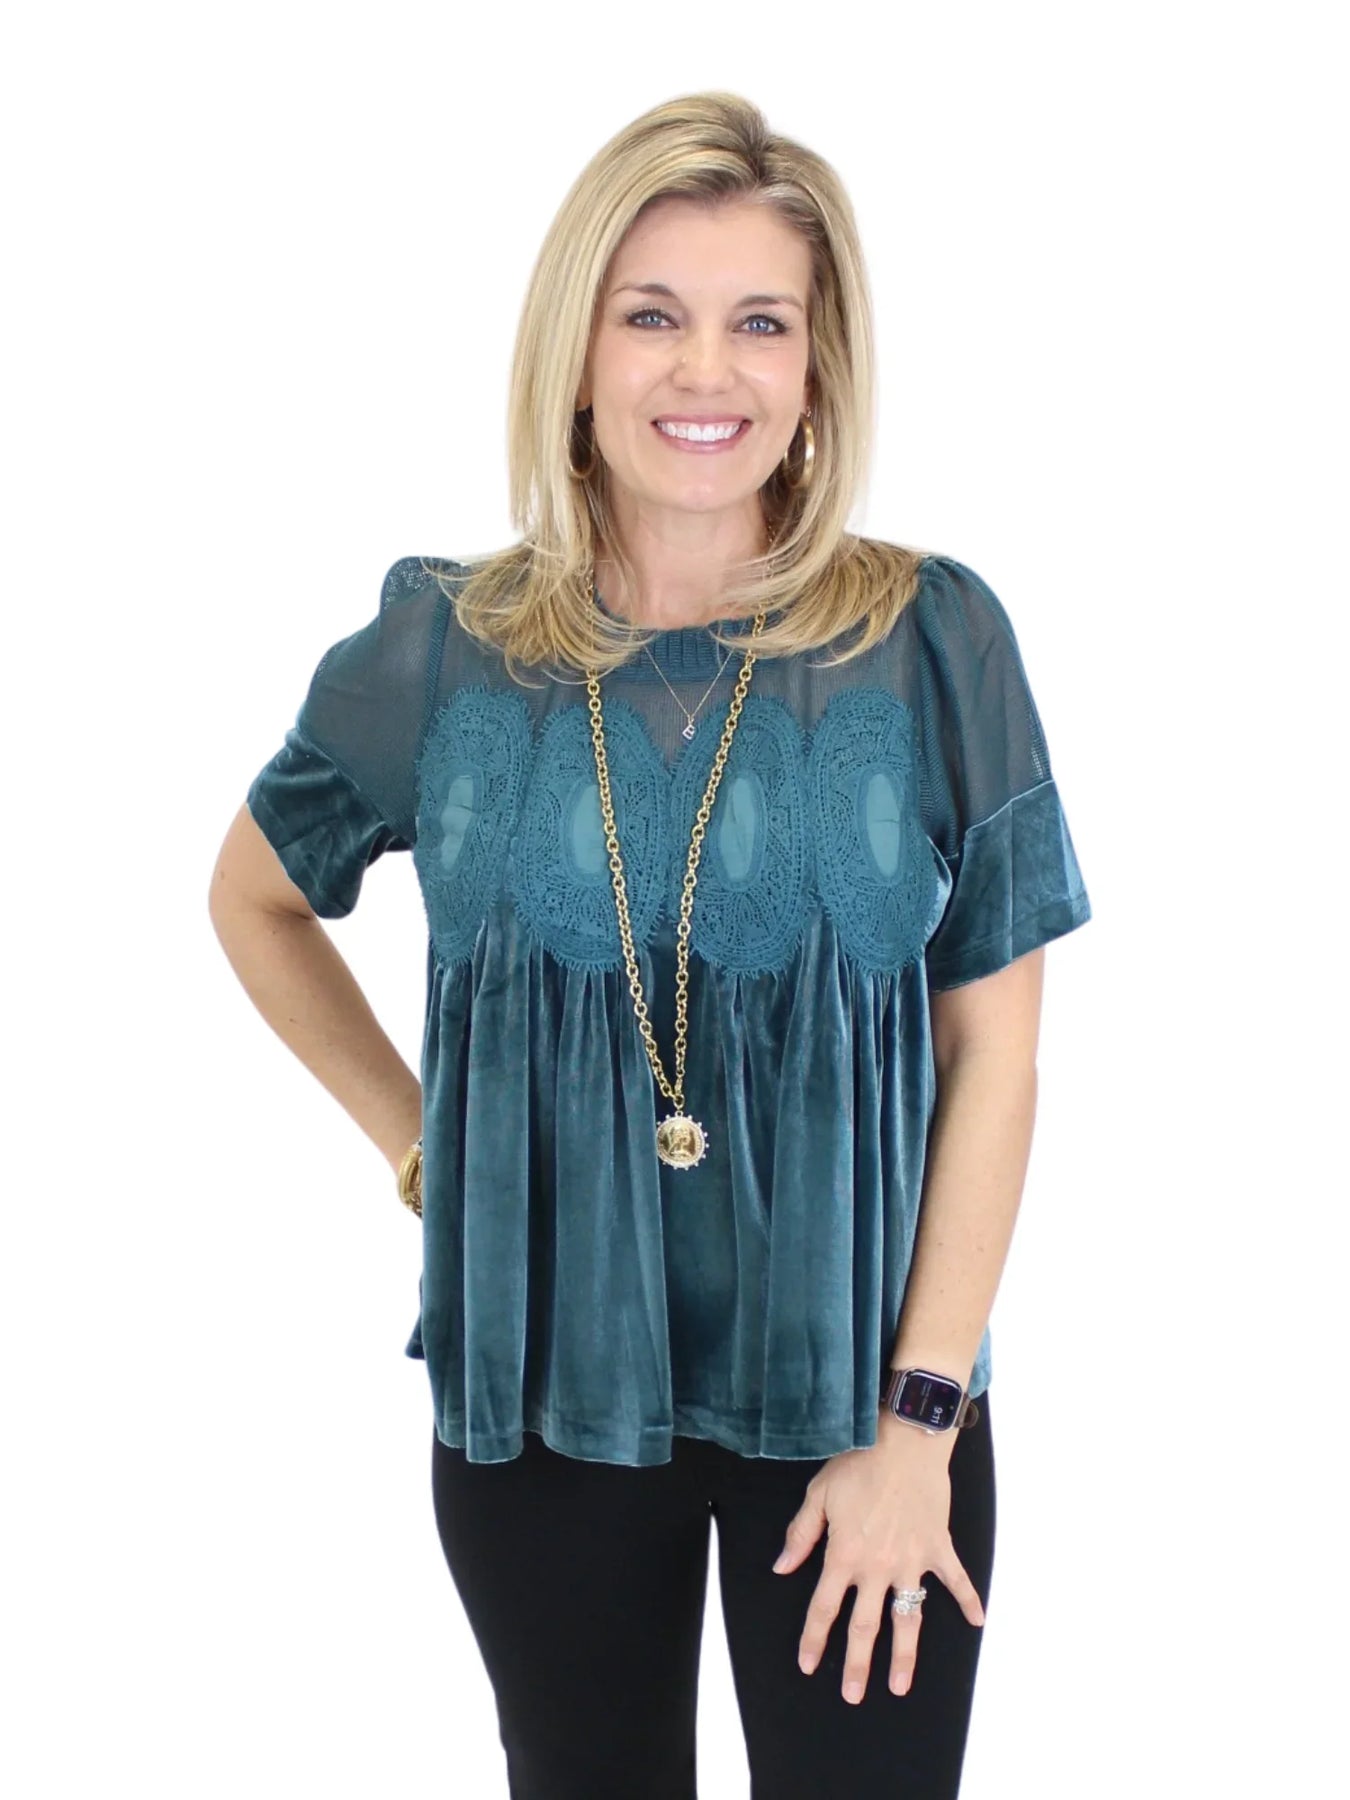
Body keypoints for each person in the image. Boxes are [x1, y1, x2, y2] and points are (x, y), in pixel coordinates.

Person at [210, 91, 1092, 1800]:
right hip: (545, 1397)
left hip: (864, 1402)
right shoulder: (440, 650)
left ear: (818, 369)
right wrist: (417, 1145)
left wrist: (919, 1422)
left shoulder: (933, 639)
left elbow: (996, 1049)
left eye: (760, 322)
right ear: (576, 355)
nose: (707, 372)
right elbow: (252, 896)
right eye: (651, 316)